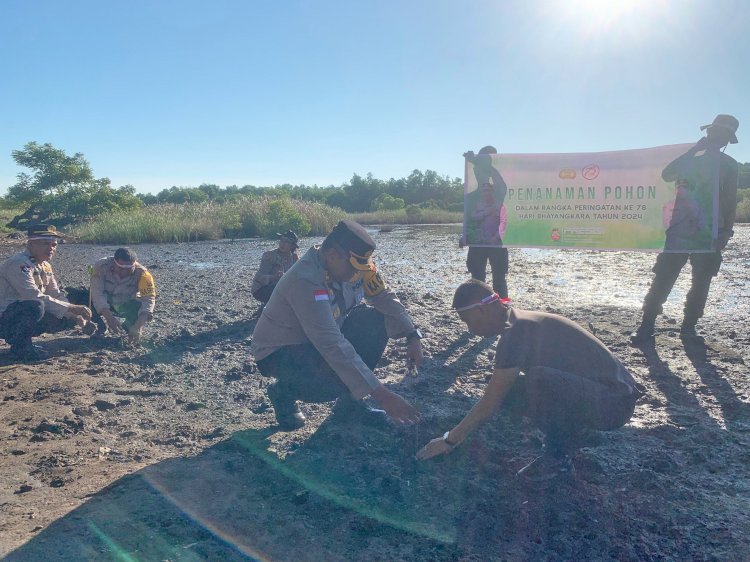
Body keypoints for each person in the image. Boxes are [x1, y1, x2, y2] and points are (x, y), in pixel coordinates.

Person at [417, 280, 641, 481]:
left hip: (614, 404)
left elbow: (490, 401)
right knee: (512, 388)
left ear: (481, 309)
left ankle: (557, 457)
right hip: (606, 395)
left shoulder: (515, 330)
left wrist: (450, 440)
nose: (470, 330)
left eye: (468, 321)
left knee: (536, 381)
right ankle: (574, 433)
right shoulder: (518, 319)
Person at [250, 220, 423, 430]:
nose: (356, 274)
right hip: (280, 352)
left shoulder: (357, 266)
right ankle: (283, 391)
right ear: (332, 255)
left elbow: (383, 296)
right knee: (329, 383)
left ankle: (350, 405)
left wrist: (412, 335)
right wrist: (383, 396)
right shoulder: (306, 279)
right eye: (354, 268)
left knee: (373, 321)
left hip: (317, 340)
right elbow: (330, 342)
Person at [631, 114, 740, 343]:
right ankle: (647, 323)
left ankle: (689, 327)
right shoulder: (689, 159)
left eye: (722, 135)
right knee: (663, 276)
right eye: (714, 132)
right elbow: (666, 175)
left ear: (727, 140)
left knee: (701, 281)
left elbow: (730, 201)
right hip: (679, 229)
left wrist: (726, 233)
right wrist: (694, 151)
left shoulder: (729, 165)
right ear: (708, 132)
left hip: (710, 233)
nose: (716, 138)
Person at [0, 224, 93, 361]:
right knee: (35, 305)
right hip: (5, 317)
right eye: (45, 244)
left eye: (54, 245)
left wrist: (73, 315)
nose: (51, 248)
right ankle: (20, 347)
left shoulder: (45, 266)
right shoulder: (18, 263)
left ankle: (25, 343)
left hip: (18, 315)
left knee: (64, 315)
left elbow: (55, 293)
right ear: (31, 244)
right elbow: (32, 295)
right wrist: (71, 308)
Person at [84, 248, 156, 345]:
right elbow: (97, 294)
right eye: (121, 268)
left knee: (139, 307)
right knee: (82, 298)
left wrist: (138, 326)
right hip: (104, 303)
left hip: (125, 304)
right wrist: (109, 318)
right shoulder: (101, 267)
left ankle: (129, 330)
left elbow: (148, 299)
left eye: (129, 269)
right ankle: (100, 326)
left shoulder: (143, 274)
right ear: (114, 263)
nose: (124, 272)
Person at [251, 230, 300, 305]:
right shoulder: (269, 255)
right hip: (261, 289)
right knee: (284, 286)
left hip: (281, 287)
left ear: (292, 246)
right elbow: (259, 278)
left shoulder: (294, 257)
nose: (282, 244)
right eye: (281, 240)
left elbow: (298, 276)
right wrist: (274, 277)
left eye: (286, 242)